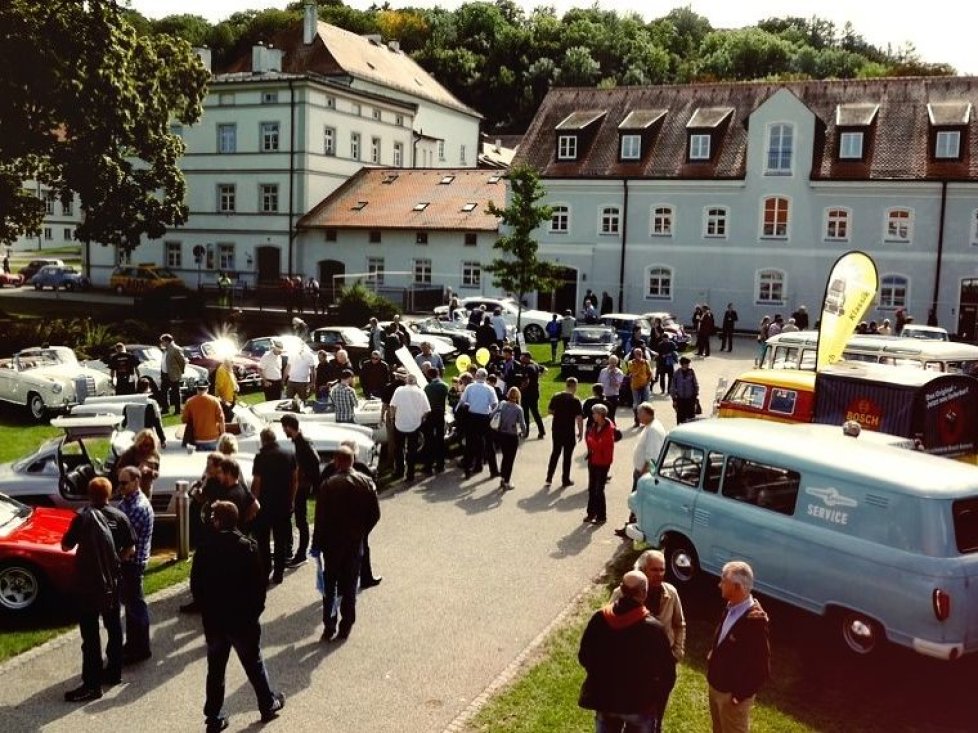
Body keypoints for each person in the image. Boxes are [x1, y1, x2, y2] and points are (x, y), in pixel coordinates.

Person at [192, 501, 285, 730]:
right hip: (242, 620)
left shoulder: (204, 549)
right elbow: (258, 586)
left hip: (215, 621)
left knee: (215, 670)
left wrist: (206, 610)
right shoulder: (247, 547)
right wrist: (254, 613)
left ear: (217, 521)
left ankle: (213, 717)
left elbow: (197, 586)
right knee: (253, 663)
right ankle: (266, 704)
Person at [61, 477, 135, 702]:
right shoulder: (120, 517)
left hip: (87, 584)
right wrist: (114, 563)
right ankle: (114, 672)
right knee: (113, 626)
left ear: (89, 495)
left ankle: (92, 684)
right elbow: (130, 547)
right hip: (111, 582)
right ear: (109, 495)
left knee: (90, 635)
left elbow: (66, 546)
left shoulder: (82, 518)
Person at [578, 570, 677, 733]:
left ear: (621, 590)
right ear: (644, 593)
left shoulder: (600, 619)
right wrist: (655, 698)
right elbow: (667, 673)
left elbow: (584, 657)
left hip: (606, 700)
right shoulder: (653, 629)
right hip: (639, 704)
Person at [312, 446, 380, 642]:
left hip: (332, 545)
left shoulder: (328, 485)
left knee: (330, 586)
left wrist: (317, 544)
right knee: (350, 585)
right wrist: (361, 532)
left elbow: (320, 519)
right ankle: (346, 624)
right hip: (354, 542)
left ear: (336, 461)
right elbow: (375, 514)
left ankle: (329, 625)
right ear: (352, 460)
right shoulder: (367, 483)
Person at [707, 561, 770, 733]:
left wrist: (739, 696)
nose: (719, 584)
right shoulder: (731, 606)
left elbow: (761, 668)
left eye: (723, 581)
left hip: (731, 697)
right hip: (716, 687)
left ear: (737, 587)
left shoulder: (755, 622)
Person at [320, 441, 382, 589]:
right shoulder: (362, 470)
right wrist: (366, 526)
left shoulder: (329, 471)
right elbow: (374, 504)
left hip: (336, 525)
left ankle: (340, 585)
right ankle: (365, 578)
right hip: (358, 523)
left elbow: (321, 497)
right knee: (362, 550)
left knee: (337, 555)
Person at [116, 465, 154, 665]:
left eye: (124, 483)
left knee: (136, 607)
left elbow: (125, 538)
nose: (120, 486)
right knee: (131, 607)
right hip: (129, 562)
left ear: (136, 481)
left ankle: (141, 648)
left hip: (132, 563)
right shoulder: (128, 502)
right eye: (119, 482)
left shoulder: (138, 508)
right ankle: (133, 644)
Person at [251, 428, 297, 585]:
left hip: (265, 505)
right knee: (280, 540)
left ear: (263, 440)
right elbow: (294, 480)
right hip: (283, 503)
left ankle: (266, 569)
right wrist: (292, 499)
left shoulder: (260, 457)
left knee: (263, 540)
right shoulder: (289, 455)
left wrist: (253, 502)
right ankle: (279, 572)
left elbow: (257, 483)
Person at [615, 402, 666, 539]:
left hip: (643, 473)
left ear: (647, 413)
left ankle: (635, 529)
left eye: (639, 413)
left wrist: (643, 475)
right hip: (640, 470)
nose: (637, 416)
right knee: (636, 501)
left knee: (638, 502)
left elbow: (652, 456)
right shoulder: (649, 426)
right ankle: (631, 526)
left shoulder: (653, 430)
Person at [280, 415, 319, 568]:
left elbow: (314, 463)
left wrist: (309, 481)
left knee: (301, 522)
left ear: (289, 427)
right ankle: (299, 552)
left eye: (284, 427)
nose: (283, 431)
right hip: (303, 486)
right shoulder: (302, 441)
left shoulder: (303, 445)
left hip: (302, 488)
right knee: (300, 521)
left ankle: (301, 554)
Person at [457, 368, 499, 479]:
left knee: (470, 444)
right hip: (484, 417)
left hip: (472, 417)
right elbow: (495, 404)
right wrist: (491, 413)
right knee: (489, 444)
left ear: (476, 376)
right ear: (486, 377)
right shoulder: (490, 389)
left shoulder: (470, 387)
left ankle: (468, 469)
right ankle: (493, 470)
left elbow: (462, 401)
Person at [389, 373, 430, 482]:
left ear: (406, 381)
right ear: (415, 382)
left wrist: (393, 418)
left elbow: (392, 406)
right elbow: (427, 410)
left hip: (400, 423)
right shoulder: (421, 392)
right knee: (412, 450)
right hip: (414, 424)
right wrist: (421, 419)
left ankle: (399, 471)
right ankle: (410, 473)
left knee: (399, 448)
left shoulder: (399, 390)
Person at [546, 378, 583, 487]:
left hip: (556, 429)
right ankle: (565, 479)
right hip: (569, 431)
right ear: (574, 386)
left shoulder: (556, 396)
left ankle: (549, 477)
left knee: (555, 453)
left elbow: (550, 411)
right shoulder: (575, 400)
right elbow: (579, 418)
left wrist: (558, 414)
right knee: (567, 456)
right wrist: (581, 432)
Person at [584, 403, 616, 524]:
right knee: (592, 488)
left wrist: (591, 441)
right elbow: (589, 438)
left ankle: (601, 516)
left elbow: (599, 444)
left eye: (594, 413)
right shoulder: (594, 426)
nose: (592, 415)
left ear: (601, 415)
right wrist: (592, 441)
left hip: (603, 462)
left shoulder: (609, 429)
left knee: (599, 489)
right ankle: (591, 513)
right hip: (593, 459)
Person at [492, 386, 526, 491]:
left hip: (501, 434)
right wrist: (523, 433)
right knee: (510, 460)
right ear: (517, 396)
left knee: (505, 457)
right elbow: (522, 424)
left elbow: (492, 414)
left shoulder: (502, 404)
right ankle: (507, 481)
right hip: (512, 436)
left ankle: (502, 478)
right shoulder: (518, 409)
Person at [115, 428, 161, 499]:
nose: (146, 448)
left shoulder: (155, 455)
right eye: (144, 445)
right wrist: (136, 470)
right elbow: (119, 470)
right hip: (131, 491)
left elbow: (156, 473)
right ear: (139, 442)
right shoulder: (130, 453)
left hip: (147, 490)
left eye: (149, 445)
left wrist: (150, 471)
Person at [182, 383, 226, 452]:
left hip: (197, 440)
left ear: (197, 389)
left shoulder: (189, 402)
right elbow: (221, 420)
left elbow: (184, 420)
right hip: (213, 439)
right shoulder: (215, 401)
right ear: (207, 389)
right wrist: (223, 436)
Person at [422, 366, 449, 474]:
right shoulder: (444, 386)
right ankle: (440, 464)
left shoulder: (427, 388)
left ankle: (428, 465)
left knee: (429, 439)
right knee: (440, 438)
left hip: (430, 413)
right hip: (440, 413)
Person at [159, 333, 187, 415]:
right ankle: (165, 409)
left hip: (173, 374)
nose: (162, 343)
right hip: (164, 374)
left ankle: (178, 410)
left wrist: (180, 372)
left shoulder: (175, 349)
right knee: (163, 392)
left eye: (163, 341)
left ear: (167, 341)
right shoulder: (165, 349)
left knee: (175, 393)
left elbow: (182, 361)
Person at [136, 377, 167, 448]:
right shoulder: (151, 403)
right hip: (147, 431)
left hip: (134, 430)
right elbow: (157, 422)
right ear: (148, 388)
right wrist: (162, 439)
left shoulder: (131, 401)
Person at [627, 347, 654, 427]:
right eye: (637, 354)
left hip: (645, 385)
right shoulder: (631, 363)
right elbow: (634, 373)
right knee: (636, 404)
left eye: (640, 353)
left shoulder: (646, 362)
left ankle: (647, 421)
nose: (639, 355)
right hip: (635, 386)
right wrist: (640, 365)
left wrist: (648, 381)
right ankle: (637, 421)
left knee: (646, 403)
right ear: (634, 355)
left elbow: (649, 373)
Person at [671, 357, 699, 424]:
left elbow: (696, 384)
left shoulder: (691, 372)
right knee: (680, 417)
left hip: (690, 399)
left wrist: (695, 395)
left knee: (691, 418)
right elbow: (673, 386)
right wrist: (674, 399)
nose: (688, 365)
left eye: (688, 363)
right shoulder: (677, 373)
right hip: (680, 399)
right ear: (683, 364)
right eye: (687, 363)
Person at [214, 357, 238, 422]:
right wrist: (224, 400)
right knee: (227, 416)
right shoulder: (221, 371)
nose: (233, 364)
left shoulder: (229, 369)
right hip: (225, 398)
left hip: (232, 396)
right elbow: (219, 387)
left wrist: (236, 386)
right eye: (231, 362)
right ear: (226, 361)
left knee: (232, 415)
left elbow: (233, 380)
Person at [654, 331, 677, 396]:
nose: (665, 339)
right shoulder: (660, 344)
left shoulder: (672, 344)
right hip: (662, 363)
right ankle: (663, 389)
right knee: (662, 377)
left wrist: (671, 354)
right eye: (664, 338)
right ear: (662, 338)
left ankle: (669, 390)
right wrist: (662, 356)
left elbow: (675, 351)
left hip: (669, 363)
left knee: (670, 377)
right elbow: (658, 353)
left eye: (666, 338)